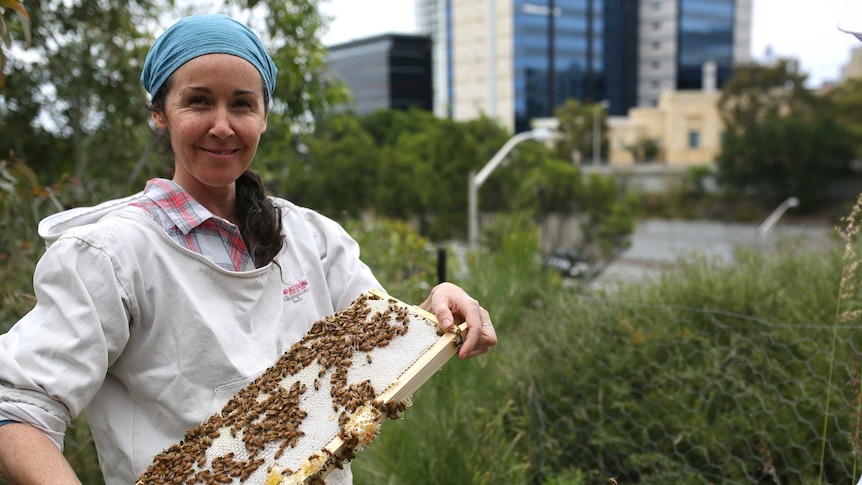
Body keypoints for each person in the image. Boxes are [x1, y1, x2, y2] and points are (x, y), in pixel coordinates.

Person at [0, 14, 497, 484]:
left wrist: (437, 306)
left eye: (242, 104)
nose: (222, 125)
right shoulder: (109, 255)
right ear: (159, 113)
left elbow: (382, 345)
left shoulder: (311, 238)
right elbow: (17, 406)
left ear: (263, 116)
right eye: (197, 102)